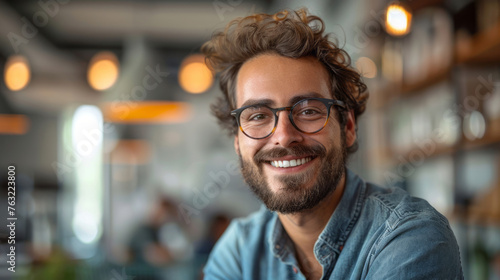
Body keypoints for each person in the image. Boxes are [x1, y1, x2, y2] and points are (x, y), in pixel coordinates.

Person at [201, 8, 463, 279]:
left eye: (308, 111)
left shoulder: (409, 237)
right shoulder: (238, 249)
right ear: (237, 142)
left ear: (348, 127)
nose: (283, 135)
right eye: (257, 116)